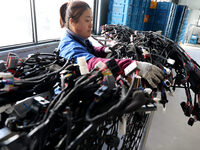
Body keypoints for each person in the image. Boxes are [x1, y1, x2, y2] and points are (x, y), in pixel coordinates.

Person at [58, 0, 164, 88]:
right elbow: (90, 63)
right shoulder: (69, 46)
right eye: (87, 21)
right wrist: (134, 65)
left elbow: (90, 50)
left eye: (91, 20)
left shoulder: (79, 38)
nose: (91, 25)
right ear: (72, 22)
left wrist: (105, 50)